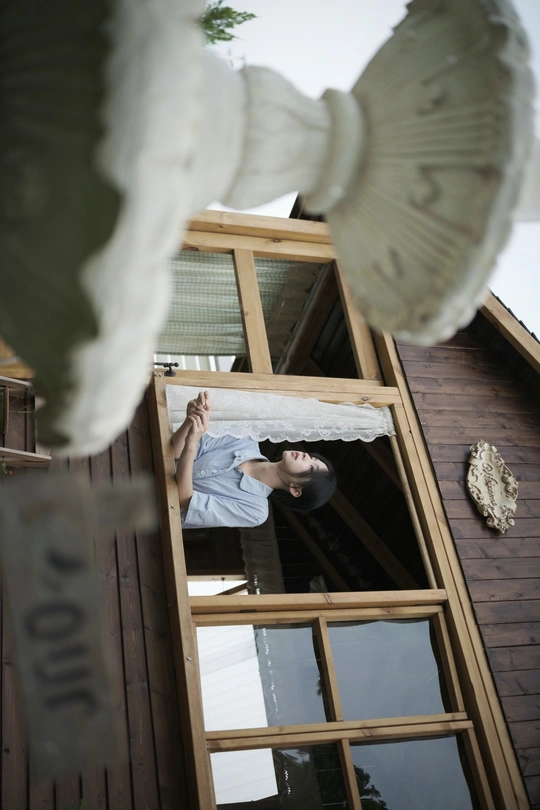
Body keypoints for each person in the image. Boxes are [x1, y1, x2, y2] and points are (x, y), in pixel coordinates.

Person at [171, 391, 337, 529]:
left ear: (296, 489)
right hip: (156, 461)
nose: (306, 456)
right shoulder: (244, 437)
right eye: (312, 457)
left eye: (311, 467)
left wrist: (191, 443)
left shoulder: (256, 511)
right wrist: (191, 419)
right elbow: (175, 451)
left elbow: (185, 499)